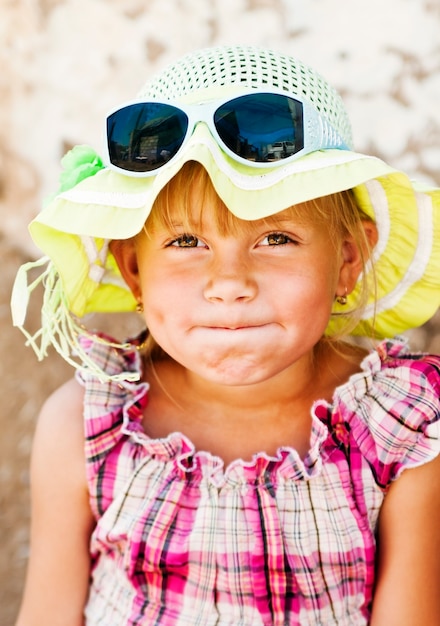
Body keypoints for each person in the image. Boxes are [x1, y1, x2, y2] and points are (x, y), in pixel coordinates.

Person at [11, 45, 440, 626]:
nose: (229, 284)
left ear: (347, 258)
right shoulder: (85, 428)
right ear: (134, 269)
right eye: (187, 243)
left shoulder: (402, 431)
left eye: (276, 239)